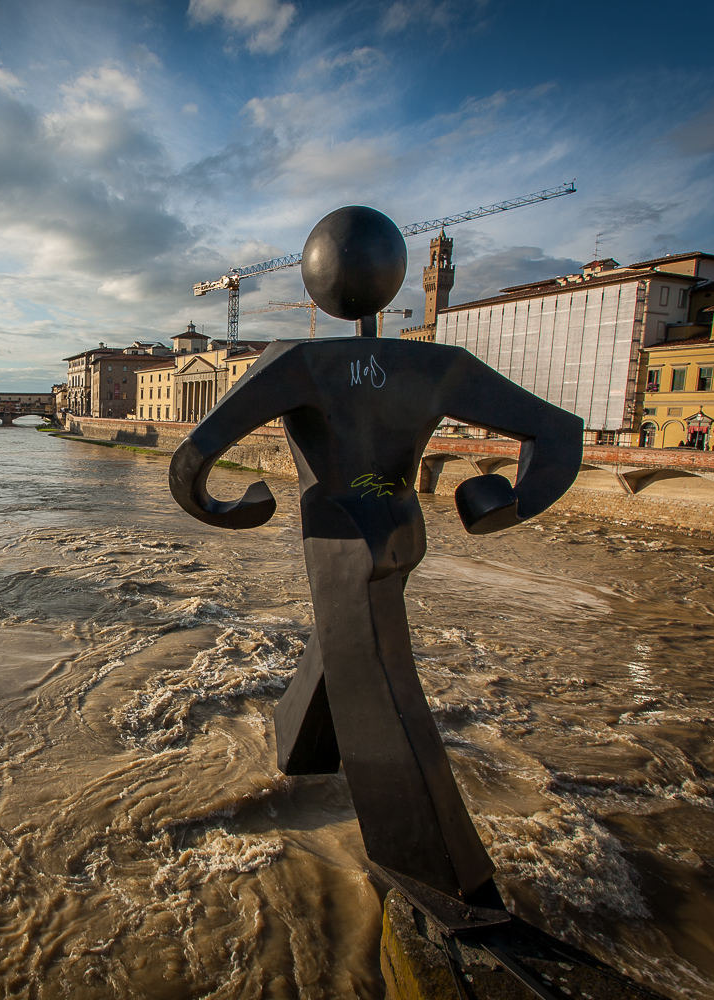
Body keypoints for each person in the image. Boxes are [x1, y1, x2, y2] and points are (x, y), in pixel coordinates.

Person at [168, 207, 583, 906]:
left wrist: (228, 509)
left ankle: (434, 869)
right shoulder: (438, 364)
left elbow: (193, 459)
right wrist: (505, 503)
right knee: (349, 653)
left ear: (318, 278)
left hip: (335, 541)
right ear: (389, 278)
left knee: (386, 693)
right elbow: (558, 433)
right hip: (401, 530)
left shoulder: (298, 362)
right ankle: (302, 752)